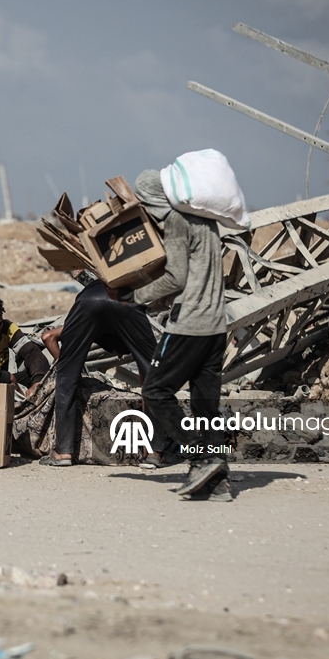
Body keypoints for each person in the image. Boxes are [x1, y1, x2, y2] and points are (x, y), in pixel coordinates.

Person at [128, 169, 232, 500]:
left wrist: (137, 296)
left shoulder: (175, 220)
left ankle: (198, 457)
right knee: (206, 408)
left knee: (156, 390)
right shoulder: (207, 221)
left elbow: (176, 277)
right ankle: (218, 486)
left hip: (190, 326)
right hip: (217, 326)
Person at [38, 279, 157, 466]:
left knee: (66, 377)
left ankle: (63, 452)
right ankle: (153, 452)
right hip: (127, 300)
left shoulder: (93, 321)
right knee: (154, 376)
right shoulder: (128, 320)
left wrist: (68, 366)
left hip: (88, 300)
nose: (119, 357)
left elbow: (47, 336)